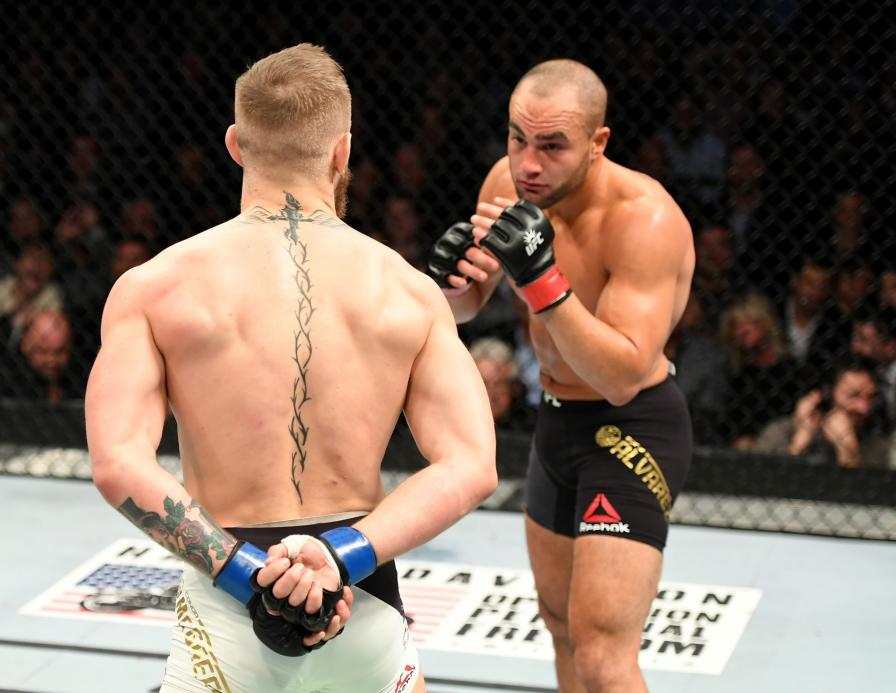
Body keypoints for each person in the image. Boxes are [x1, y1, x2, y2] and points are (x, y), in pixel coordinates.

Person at [85, 44, 496, 693]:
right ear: (342, 151)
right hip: (362, 598)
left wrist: (250, 575)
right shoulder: (408, 290)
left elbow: (117, 462)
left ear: (234, 143)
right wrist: (337, 557)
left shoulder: (155, 287)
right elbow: (471, 464)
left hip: (225, 598)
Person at [428, 59, 694, 692]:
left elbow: (623, 375)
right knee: (561, 627)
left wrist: (542, 280)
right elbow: (468, 306)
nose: (528, 164)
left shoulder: (644, 219)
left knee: (604, 653)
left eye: (552, 146)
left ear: (598, 144)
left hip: (631, 427)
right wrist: (453, 287)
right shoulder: (508, 181)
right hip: (556, 421)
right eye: (518, 138)